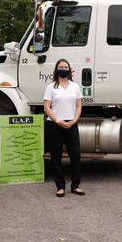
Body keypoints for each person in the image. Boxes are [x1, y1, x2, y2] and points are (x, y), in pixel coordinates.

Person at [43, 59, 84, 197]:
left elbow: (79, 106)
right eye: (61, 67)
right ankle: (60, 187)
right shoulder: (51, 87)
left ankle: (75, 186)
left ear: (69, 69)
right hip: (55, 125)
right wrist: (58, 121)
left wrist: (74, 120)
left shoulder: (75, 86)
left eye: (66, 67)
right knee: (56, 157)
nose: (63, 69)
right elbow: (46, 107)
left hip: (71, 124)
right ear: (56, 70)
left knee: (76, 155)